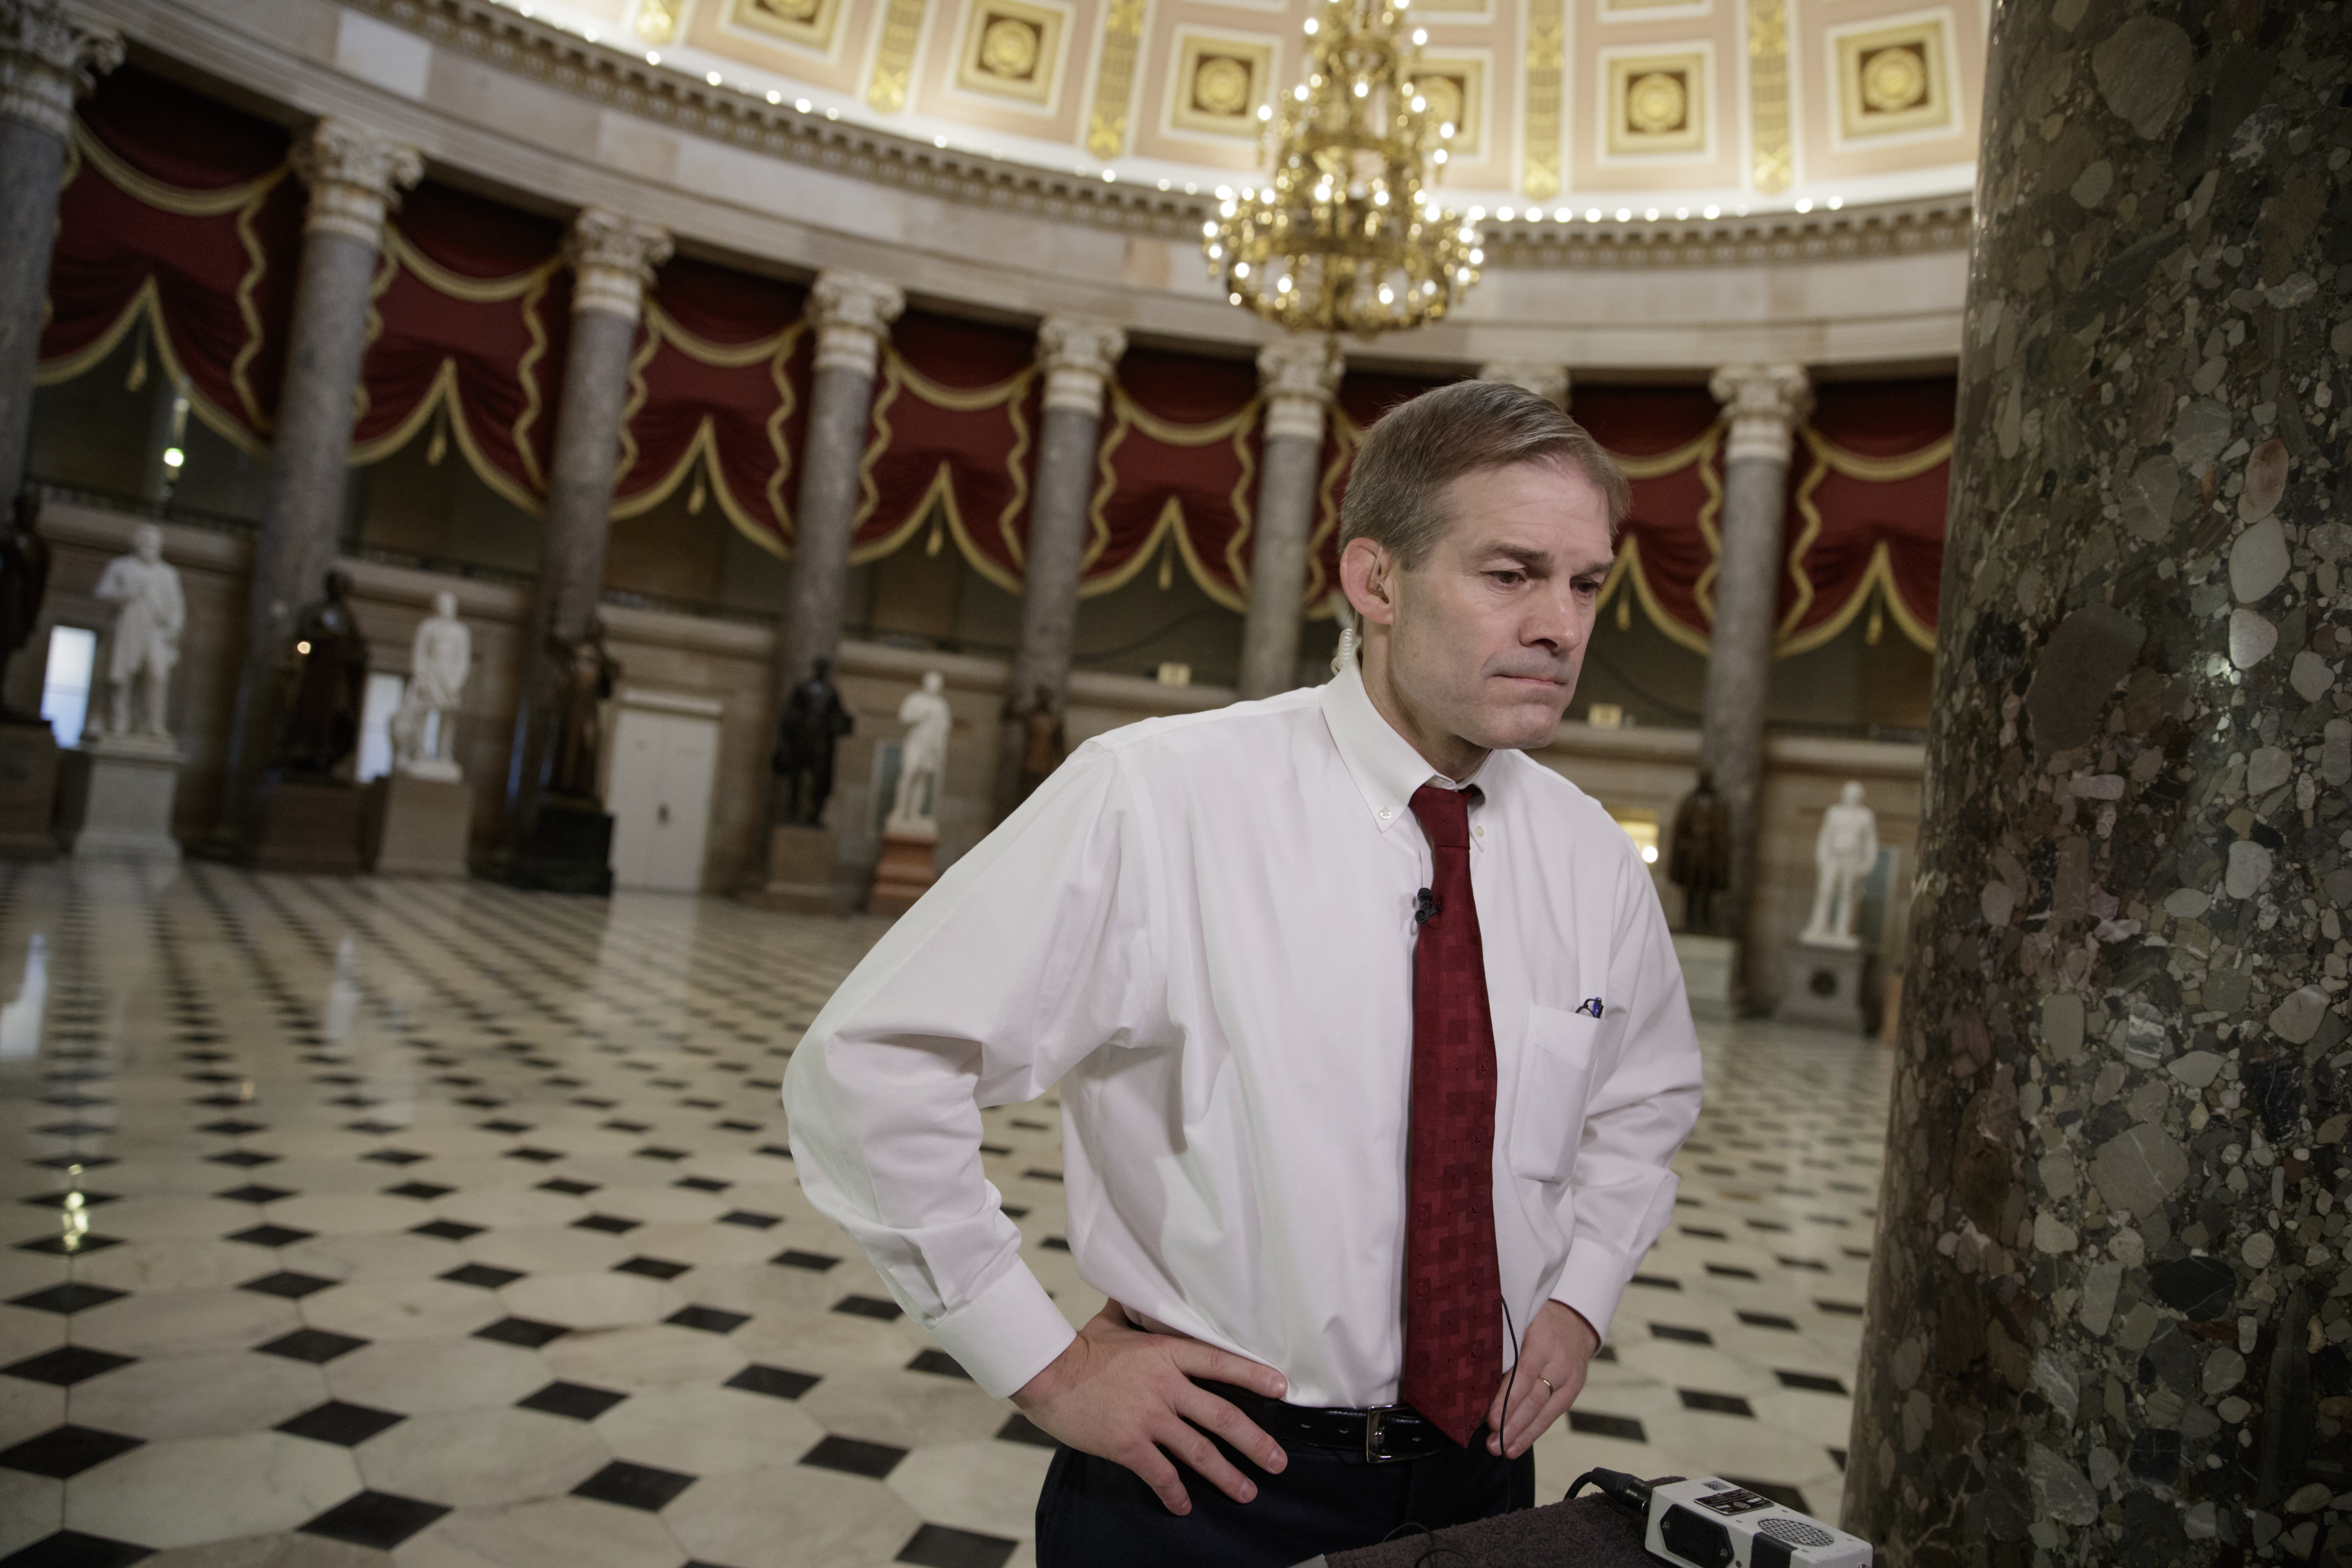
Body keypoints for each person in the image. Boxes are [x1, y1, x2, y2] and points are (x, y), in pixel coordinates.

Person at [783, 381, 1703, 1568]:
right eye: (1511, 574)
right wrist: (1044, 1367)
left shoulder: (1592, 858)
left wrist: (1581, 1293)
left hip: (1487, 1477)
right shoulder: (1160, 797)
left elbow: (1645, 1102)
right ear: (1376, 581)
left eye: (1587, 585)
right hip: (1214, 1477)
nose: (1561, 627)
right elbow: (872, 1066)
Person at [91, 521, 184, 741]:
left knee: (157, 675)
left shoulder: (168, 574)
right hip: (128, 628)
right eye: (145, 543)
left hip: (156, 632)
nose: (149, 548)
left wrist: (173, 630)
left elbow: (178, 607)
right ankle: (119, 722)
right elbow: (103, 592)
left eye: (153, 544)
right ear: (137, 544)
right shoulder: (121, 567)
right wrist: (126, 594)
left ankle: (154, 724)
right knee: (122, 676)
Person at [274, 570, 369, 778]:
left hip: (336, 679)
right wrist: (327, 639)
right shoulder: (315, 610)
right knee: (307, 712)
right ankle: (301, 752)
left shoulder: (348, 617)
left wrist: (358, 655)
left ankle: (323, 754)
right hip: (314, 675)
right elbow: (303, 635)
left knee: (334, 716)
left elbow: (356, 648)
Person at [391, 591, 472, 780]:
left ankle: (445, 753)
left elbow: (463, 659)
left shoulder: (460, 631)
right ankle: (421, 752)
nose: (447, 609)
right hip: (431, 674)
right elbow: (419, 652)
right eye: (443, 605)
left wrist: (455, 681)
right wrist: (420, 675)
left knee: (448, 718)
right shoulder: (428, 627)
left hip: (449, 679)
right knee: (422, 715)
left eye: (450, 605)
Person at [772, 656, 854, 824]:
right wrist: (785, 742)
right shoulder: (803, 688)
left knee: (820, 779)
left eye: (825, 668)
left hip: (821, 742)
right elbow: (789, 714)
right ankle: (793, 812)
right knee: (796, 778)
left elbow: (838, 714)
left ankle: (815, 815)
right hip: (801, 739)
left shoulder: (831, 692)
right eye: (820, 668)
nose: (822, 671)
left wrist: (844, 723)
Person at [0, 488, 50, 723]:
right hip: (5, 599)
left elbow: (38, 581)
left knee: (5, 655)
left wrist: (31, 617)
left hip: (17, 608)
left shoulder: (38, 545)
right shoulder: (7, 535)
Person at [1668, 768, 1732, 931]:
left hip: (1709, 853)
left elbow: (1723, 831)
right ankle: (1689, 922)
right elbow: (1681, 827)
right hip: (1692, 851)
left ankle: (1705, 923)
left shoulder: (1718, 802)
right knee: (1691, 886)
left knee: (1707, 888)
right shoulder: (1690, 801)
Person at [887, 670, 951, 830]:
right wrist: (921, 715)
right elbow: (904, 717)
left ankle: (914, 814)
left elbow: (945, 729)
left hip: (930, 747)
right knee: (908, 774)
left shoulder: (941, 706)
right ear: (926, 684)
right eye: (932, 684)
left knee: (922, 780)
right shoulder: (915, 699)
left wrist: (939, 750)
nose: (934, 688)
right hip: (915, 743)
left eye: (937, 686)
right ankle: (900, 811)